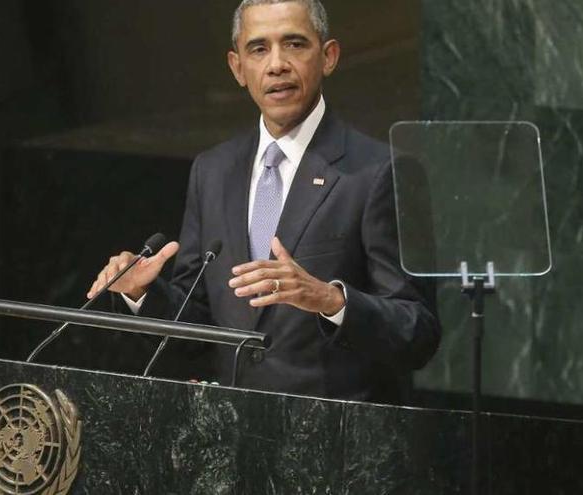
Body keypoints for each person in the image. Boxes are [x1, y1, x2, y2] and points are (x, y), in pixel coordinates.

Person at [87, 0, 439, 404]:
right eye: (259, 49)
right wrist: (142, 294)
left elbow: (419, 331)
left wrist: (332, 300)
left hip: (341, 442)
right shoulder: (213, 172)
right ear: (238, 68)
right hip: (235, 440)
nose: (276, 65)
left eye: (294, 44)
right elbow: (194, 327)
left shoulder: (379, 172)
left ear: (329, 57)